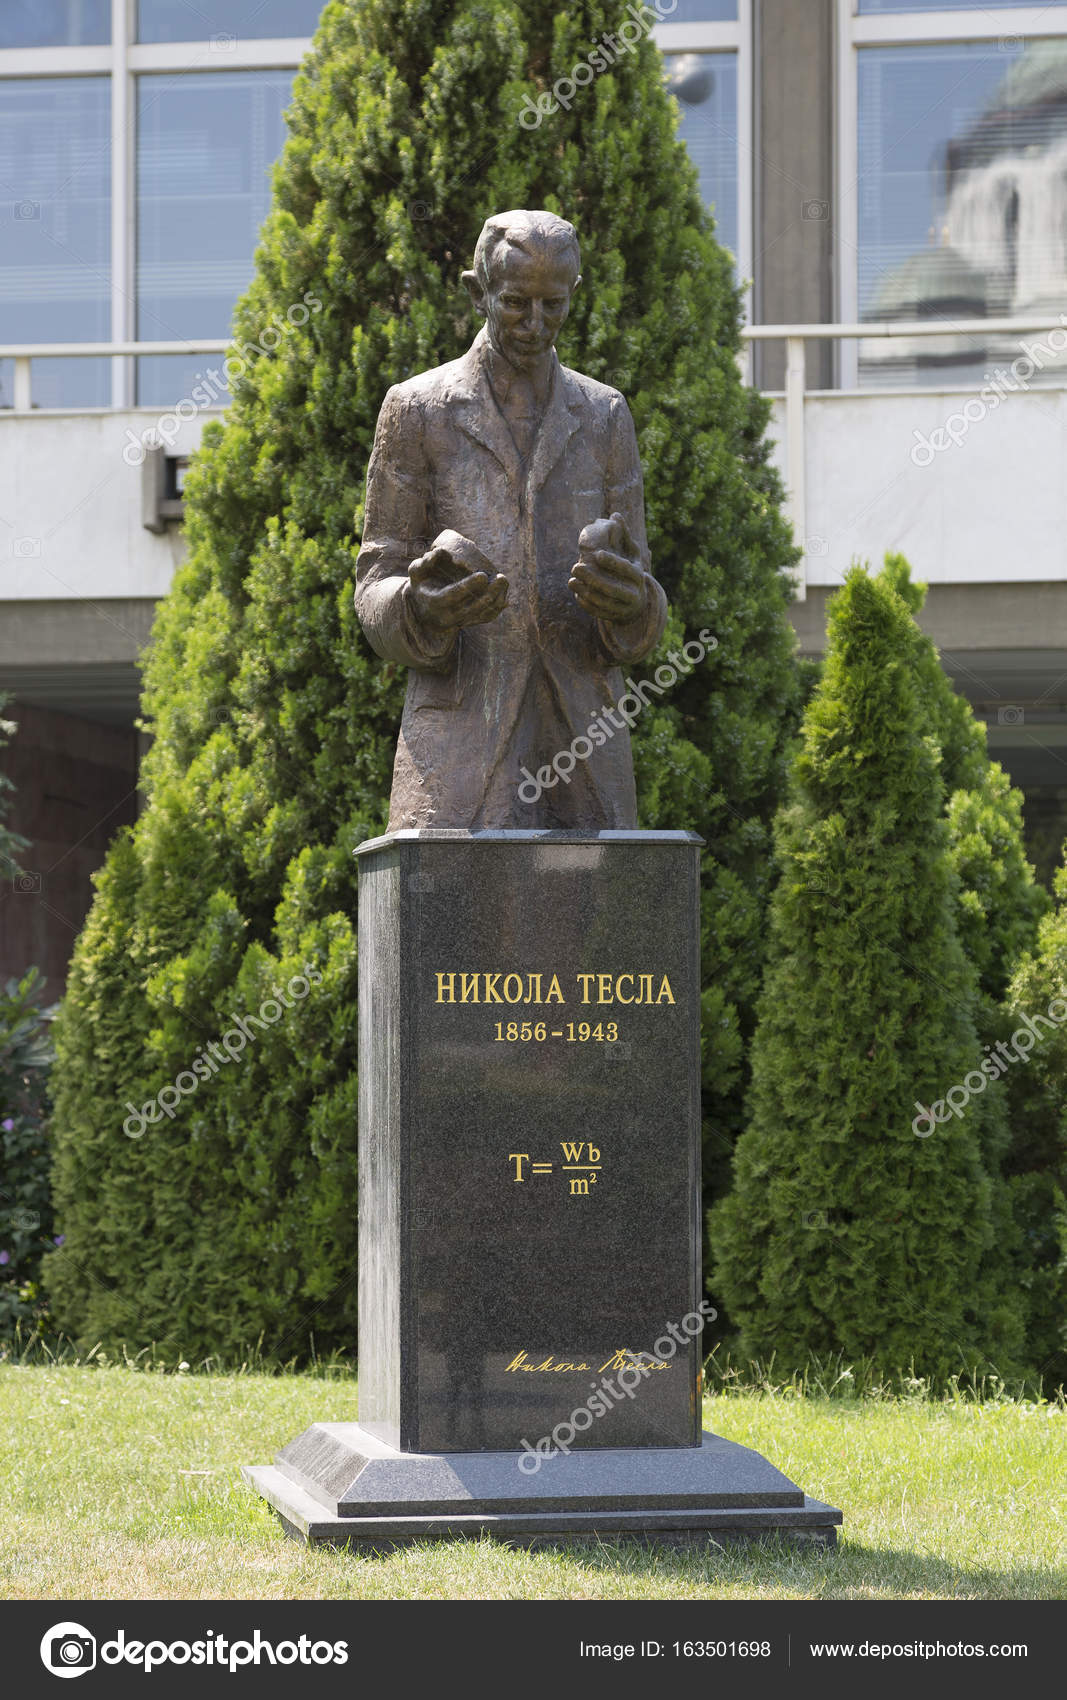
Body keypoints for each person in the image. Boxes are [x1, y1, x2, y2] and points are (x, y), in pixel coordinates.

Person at [355, 209, 667, 828]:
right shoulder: (417, 410)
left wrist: (631, 606)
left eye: (554, 305)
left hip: (583, 736)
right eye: (516, 302)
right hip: (459, 742)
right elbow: (373, 582)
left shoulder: (605, 415)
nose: (536, 323)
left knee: (607, 923)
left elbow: (643, 592)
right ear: (478, 291)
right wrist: (418, 608)